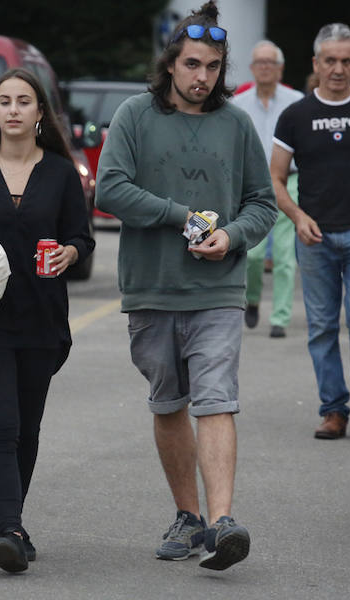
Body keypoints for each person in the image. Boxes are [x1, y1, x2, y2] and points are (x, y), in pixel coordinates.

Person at [95, 1, 276, 572]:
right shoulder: (135, 115)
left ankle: (223, 522)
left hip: (218, 287)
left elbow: (262, 204)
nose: (203, 77)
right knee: (169, 402)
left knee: (216, 400)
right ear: (171, 63)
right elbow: (110, 189)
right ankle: (189, 516)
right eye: (193, 64)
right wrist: (184, 216)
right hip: (151, 287)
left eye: (214, 66)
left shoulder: (237, 124)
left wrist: (232, 237)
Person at [0, 68, 94, 573]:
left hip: (43, 320)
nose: (12, 110)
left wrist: (68, 254)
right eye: (3, 101)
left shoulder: (60, 172)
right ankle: (9, 529)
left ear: (39, 112)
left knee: (27, 429)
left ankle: (14, 525)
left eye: (23, 101)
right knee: (1, 425)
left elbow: (82, 237)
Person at [270, 23, 350, 442]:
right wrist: (298, 217)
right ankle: (333, 410)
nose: (338, 69)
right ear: (316, 63)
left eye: (346, 61)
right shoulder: (296, 115)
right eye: (330, 61)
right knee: (320, 327)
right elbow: (276, 180)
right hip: (313, 237)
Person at [231, 41, 303, 339]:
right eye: (259, 62)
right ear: (252, 68)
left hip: (290, 179)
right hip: (253, 182)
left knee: (286, 254)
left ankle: (280, 318)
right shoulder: (238, 103)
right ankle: (253, 300)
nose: (264, 67)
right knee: (252, 254)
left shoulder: (296, 100)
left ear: (280, 68)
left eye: (270, 63)